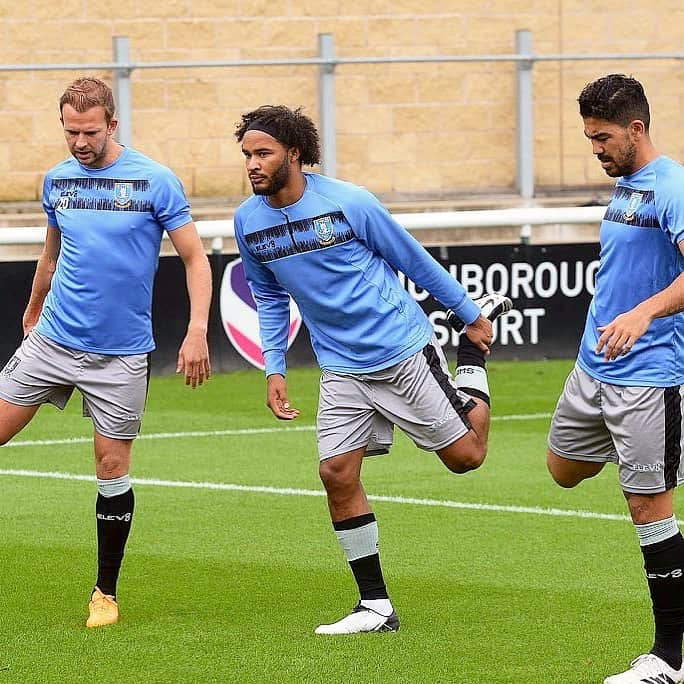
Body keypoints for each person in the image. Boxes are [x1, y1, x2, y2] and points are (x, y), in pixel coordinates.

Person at [233, 104, 512, 635]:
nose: (252, 163)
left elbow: (413, 260)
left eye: (263, 152)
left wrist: (470, 317)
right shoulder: (249, 220)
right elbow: (268, 296)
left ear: (295, 153)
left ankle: (469, 361)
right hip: (340, 367)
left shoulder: (350, 202)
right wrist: (274, 368)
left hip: (399, 350)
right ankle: (375, 606)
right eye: (246, 154)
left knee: (466, 458)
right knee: (336, 473)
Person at [0, 77, 212, 628]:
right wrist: (33, 306)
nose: (79, 142)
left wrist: (195, 331)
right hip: (52, 340)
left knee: (111, 468)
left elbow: (195, 259)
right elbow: (51, 253)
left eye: (89, 132)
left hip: (120, 355)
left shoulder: (153, 180)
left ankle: (105, 593)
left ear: (112, 125)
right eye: (70, 131)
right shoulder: (58, 181)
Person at [546, 74, 684, 684]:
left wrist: (644, 311)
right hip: (592, 367)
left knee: (647, 506)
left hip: (649, 377)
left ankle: (670, 657)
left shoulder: (672, 187)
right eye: (588, 138)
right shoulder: (627, 185)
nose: (595, 149)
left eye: (602, 138)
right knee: (563, 470)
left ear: (636, 129)